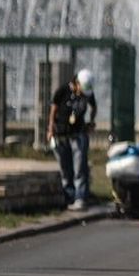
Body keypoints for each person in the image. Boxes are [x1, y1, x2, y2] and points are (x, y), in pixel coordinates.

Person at [47, 69, 98, 211]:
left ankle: (80, 198)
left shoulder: (87, 93)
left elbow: (94, 106)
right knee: (65, 168)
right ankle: (69, 197)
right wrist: (50, 129)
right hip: (61, 135)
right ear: (77, 83)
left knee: (79, 167)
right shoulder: (63, 90)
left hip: (78, 135)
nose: (83, 95)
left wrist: (91, 122)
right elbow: (53, 109)